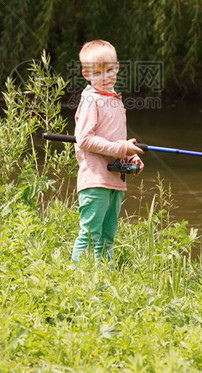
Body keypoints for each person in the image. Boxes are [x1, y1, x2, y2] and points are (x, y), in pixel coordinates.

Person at [71, 39, 144, 265]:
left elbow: (115, 141)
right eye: (98, 72)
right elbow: (84, 139)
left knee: (108, 236)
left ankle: (105, 279)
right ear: (86, 74)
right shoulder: (91, 99)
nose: (105, 77)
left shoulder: (114, 100)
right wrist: (122, 147)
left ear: (118, 67)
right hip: (95, 179)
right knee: (90, 235)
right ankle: (75, 278)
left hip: (114, 178)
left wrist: (129, 155)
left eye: (110, 70)